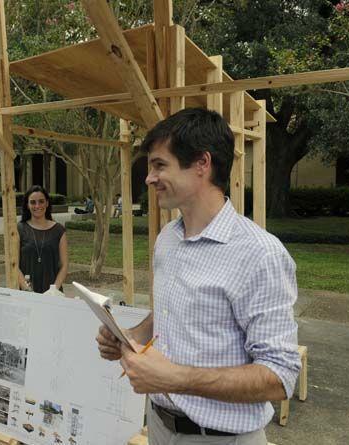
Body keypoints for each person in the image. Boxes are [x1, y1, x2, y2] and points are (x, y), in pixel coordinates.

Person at [96, 108, 300, 445]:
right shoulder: (168, 238)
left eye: (160, 165)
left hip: (221, 438)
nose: (149, 178)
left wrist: (174, 378)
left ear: (202, 164)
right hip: (159, 427)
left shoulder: (260, 253)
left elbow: (280, 377)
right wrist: (130, 336)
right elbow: (168, 312)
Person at [17, 185, 68, 293]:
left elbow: (64, 265)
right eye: (32, 202)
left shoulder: (59, 230)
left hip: (53, 294)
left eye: (41, 201)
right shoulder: (19, 229)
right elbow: (14, 265)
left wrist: (53, 290)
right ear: (27, 205)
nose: (37, 205)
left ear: (47, 203)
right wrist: (26, 288)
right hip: (26, 292)